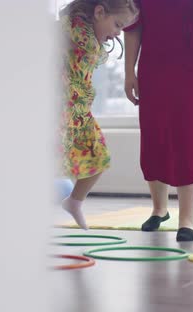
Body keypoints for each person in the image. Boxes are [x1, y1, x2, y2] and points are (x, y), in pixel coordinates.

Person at [123, 0, 193, 242]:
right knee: (155, 132)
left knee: (190, 135)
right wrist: (129, 72)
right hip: (154, 63)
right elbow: (132, 24)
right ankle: (159, 209)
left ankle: (187, 219)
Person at [59, 0, 138, 230]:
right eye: (117, 25)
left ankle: (74, 202)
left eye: (121, 28)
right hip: (62, 109)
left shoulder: (93, 39)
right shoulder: (73, 29)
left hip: (80, 113)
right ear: (99, 12)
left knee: (99, 158)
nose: (117, 34)